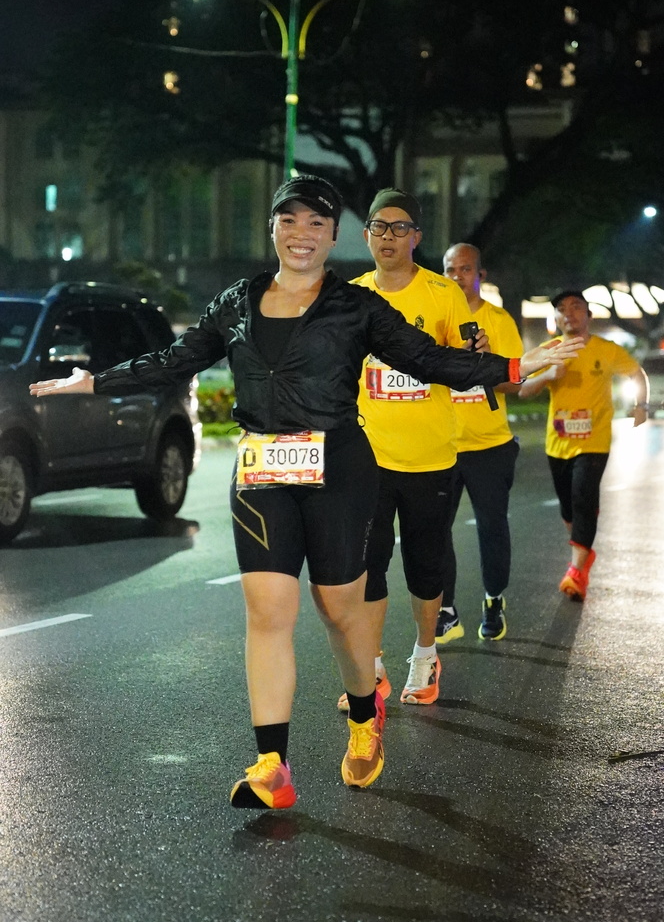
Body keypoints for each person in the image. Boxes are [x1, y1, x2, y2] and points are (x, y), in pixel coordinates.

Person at [30, 175, 582, 809]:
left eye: (316, 223)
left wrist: (513, 367)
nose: (302, 234)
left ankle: (364, 713)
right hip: (262, 469)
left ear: (332, 235)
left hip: (339, 467)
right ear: (272, 228)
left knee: (339, 610)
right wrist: (94, 382)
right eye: (289, 220)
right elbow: (177, 358)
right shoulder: (238, 302)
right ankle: (272, 765)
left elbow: (428, 358)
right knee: (267, 612)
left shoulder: (355, 306)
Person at [338, 188, 477, 709]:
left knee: (424, 567)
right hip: (368, 459)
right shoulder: (350, 296)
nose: (388, 236)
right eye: (379, 226)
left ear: (416, 236)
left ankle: (424, 655)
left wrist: (475, 355)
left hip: (430, 457)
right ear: (366, 235)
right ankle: (370, 669)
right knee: (366, 566)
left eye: (400, 227)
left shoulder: (443, 294)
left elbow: (464, 363)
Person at [519, 289, 649, 600]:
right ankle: (583, 552)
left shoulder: (606, 349)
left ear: (588, 315)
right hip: (558, 443)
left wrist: (640, 406)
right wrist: (549, 374)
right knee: (569, 508)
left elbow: (636, 373)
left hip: (594, 440)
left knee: (583, 499)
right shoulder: (549, 350)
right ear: (556, 318)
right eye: (562, 309)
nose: (569, 313)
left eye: (576, 307)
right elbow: (523, 390)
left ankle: (576, 570)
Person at [436, 243, 524, 643]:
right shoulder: (435, 321)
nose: (457, 276)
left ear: (480, 275)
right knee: (436, 531)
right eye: (450, 269)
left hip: (490, 446)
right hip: (441, 446)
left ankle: (494, 599)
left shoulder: (498, 320)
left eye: (465, 269)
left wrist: (487, 366)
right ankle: (446, 609)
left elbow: (515, 382)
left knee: (492, 528)